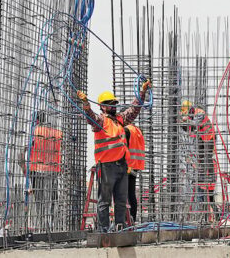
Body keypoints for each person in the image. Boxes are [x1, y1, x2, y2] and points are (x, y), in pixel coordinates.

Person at [77, 79, 151, 232]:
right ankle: (103, 230)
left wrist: (142, 92)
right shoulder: (101, 120)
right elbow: (91, 118)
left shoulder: (119, 120)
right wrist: (86, 105)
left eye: (114, 103)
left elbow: (134, 109)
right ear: (103, 107)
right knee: (104, 201)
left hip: (121, 166)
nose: (113, 106)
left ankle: (120, 228)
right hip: (106, 166)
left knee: (121, 201)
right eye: (110, 103)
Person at [20, 111, 62, 232]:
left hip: (36, 171)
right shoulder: (57, 133)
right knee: (53, 199)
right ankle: (53, 227)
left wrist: (25, 172)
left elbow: (20, 154)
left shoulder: (34, 133)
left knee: (40, 202)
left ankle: (43, 227)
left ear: (36, 121)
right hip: (53, 171)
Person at [180, 100, 216, 212]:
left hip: (209, 137)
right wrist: (182, 123)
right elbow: (188, 129)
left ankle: (206, 176)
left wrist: (186, 120)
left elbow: (195, 124)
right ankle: (203, 176)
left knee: (206, 158)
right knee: (202, 159)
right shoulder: (190, 115)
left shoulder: (199, 112)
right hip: (201, 138)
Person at [124, 122, 145, 224]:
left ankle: (126, 220)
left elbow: (124, 148)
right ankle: (132, 219)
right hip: (135, 165)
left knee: (124, 194)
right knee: (131, 193)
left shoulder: (127, 130)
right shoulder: (138, 130)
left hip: (127, 165)